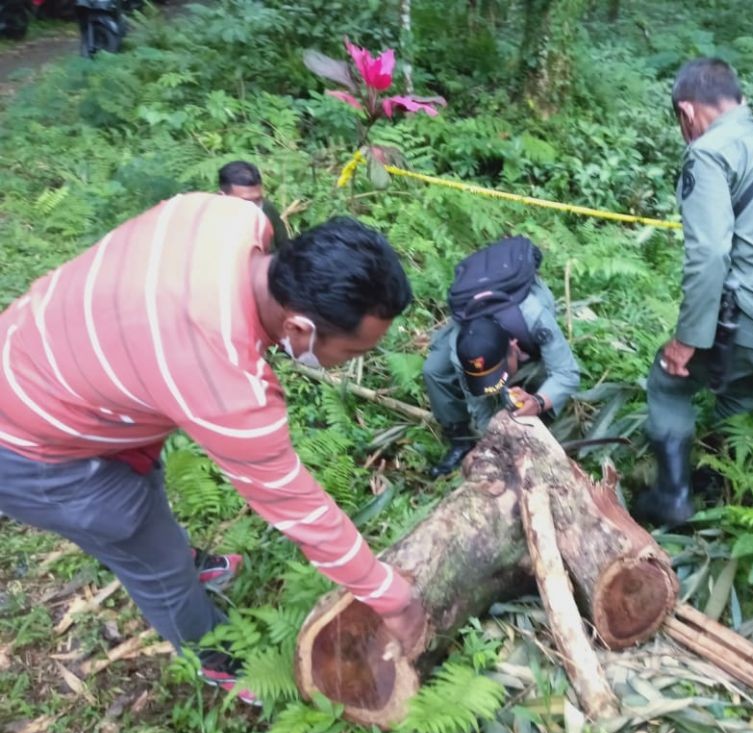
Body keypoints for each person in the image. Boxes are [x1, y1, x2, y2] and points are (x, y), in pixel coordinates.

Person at [0, 194, 426, 704]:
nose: (349, 362)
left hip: (37, 346)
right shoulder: (220, 376)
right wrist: (389, 595)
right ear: (299, 328)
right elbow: (296, 507)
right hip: (32, 449)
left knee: (145, 499)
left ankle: (178, 553)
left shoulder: (227, 217)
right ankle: (212, 652)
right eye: (352, 352)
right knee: (146, 548)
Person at [636, 58, 753, 528]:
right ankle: (725, 487)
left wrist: (686, 340)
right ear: (736, 98)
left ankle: (674, 497)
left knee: (668, 382)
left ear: (687, 110)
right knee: (738, 393)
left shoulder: (709, 153)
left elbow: (708, 253)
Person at [423, 237, 580, 478]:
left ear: (514, 346)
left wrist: (538, 401)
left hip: (516, 304)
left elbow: (566, 373)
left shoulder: (535, 318)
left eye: (501, 372)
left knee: (542, 378)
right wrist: (493, 441)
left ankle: (544, 415)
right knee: (434, 369)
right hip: (474, 315)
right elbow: (478, 403)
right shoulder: (460, 349)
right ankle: (460, 440)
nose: (497, 382)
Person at [218, 160, 291, 252]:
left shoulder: (266, 209)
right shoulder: (207, 224)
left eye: (257, 200)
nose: (254, 208)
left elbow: (284, 249)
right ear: (223, 197)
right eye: (245, 201)